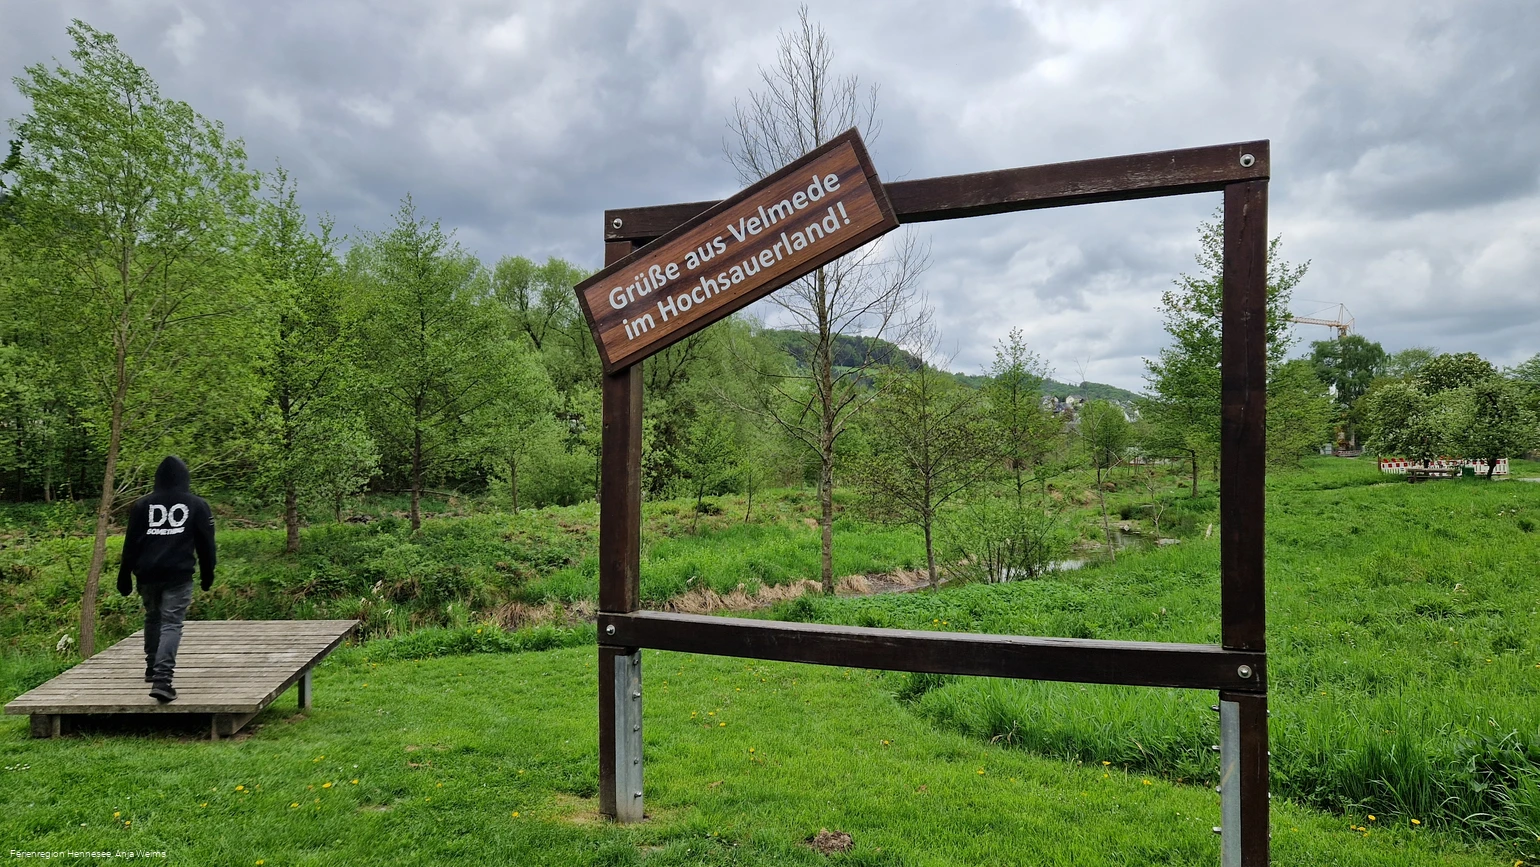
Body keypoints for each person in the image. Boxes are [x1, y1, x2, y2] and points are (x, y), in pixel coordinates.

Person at [117, 456, 216, 703]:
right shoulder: (197, 505)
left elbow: (131, 544)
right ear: (185, 478)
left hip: (147, 574)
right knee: (171, 623)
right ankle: (163, 680)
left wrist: (124, 575)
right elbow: (207, 545)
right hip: (178, 575)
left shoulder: (142, 506)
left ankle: (152, 668)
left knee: (153, 617)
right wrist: (207, 574)